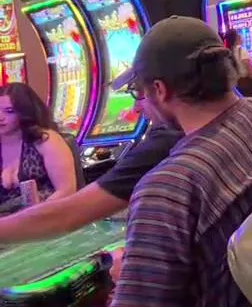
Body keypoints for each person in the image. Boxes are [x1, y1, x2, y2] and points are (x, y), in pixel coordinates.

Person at [110, 16, 252, 307]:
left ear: (160, 90)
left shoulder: (166, 191)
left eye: (139, 92)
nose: (139, 104)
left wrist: (127, 276)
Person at [0, 125, 180, 243]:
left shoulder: (166, 142)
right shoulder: (187, 140)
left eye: (139, 94)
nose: (135, 109)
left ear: (161, 90)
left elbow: (67, 213)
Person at [0, 84, 76, 215]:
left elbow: (66, 190)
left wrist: (34, 215)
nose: (0, 117)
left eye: (9, 111)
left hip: (47, 216)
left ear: (24, 112)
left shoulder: (45, 139)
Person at [225, 29, 252, 97]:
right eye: (239, 35)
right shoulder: (242, 51)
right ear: (237, 38)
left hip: (236, 85)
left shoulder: (228, 52)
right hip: (246, 83)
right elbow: (250, 71)